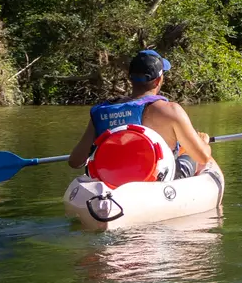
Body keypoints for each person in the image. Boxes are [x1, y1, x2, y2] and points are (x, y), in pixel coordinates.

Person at [68, 49, 213, 185]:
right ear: (158, 80)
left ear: (130, 78)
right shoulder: (171, 111)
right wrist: (203, 142)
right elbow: (202, 157)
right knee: (193, 154)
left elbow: (75, 161)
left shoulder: (101, 112)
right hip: (156, 184)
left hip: (112, 184)